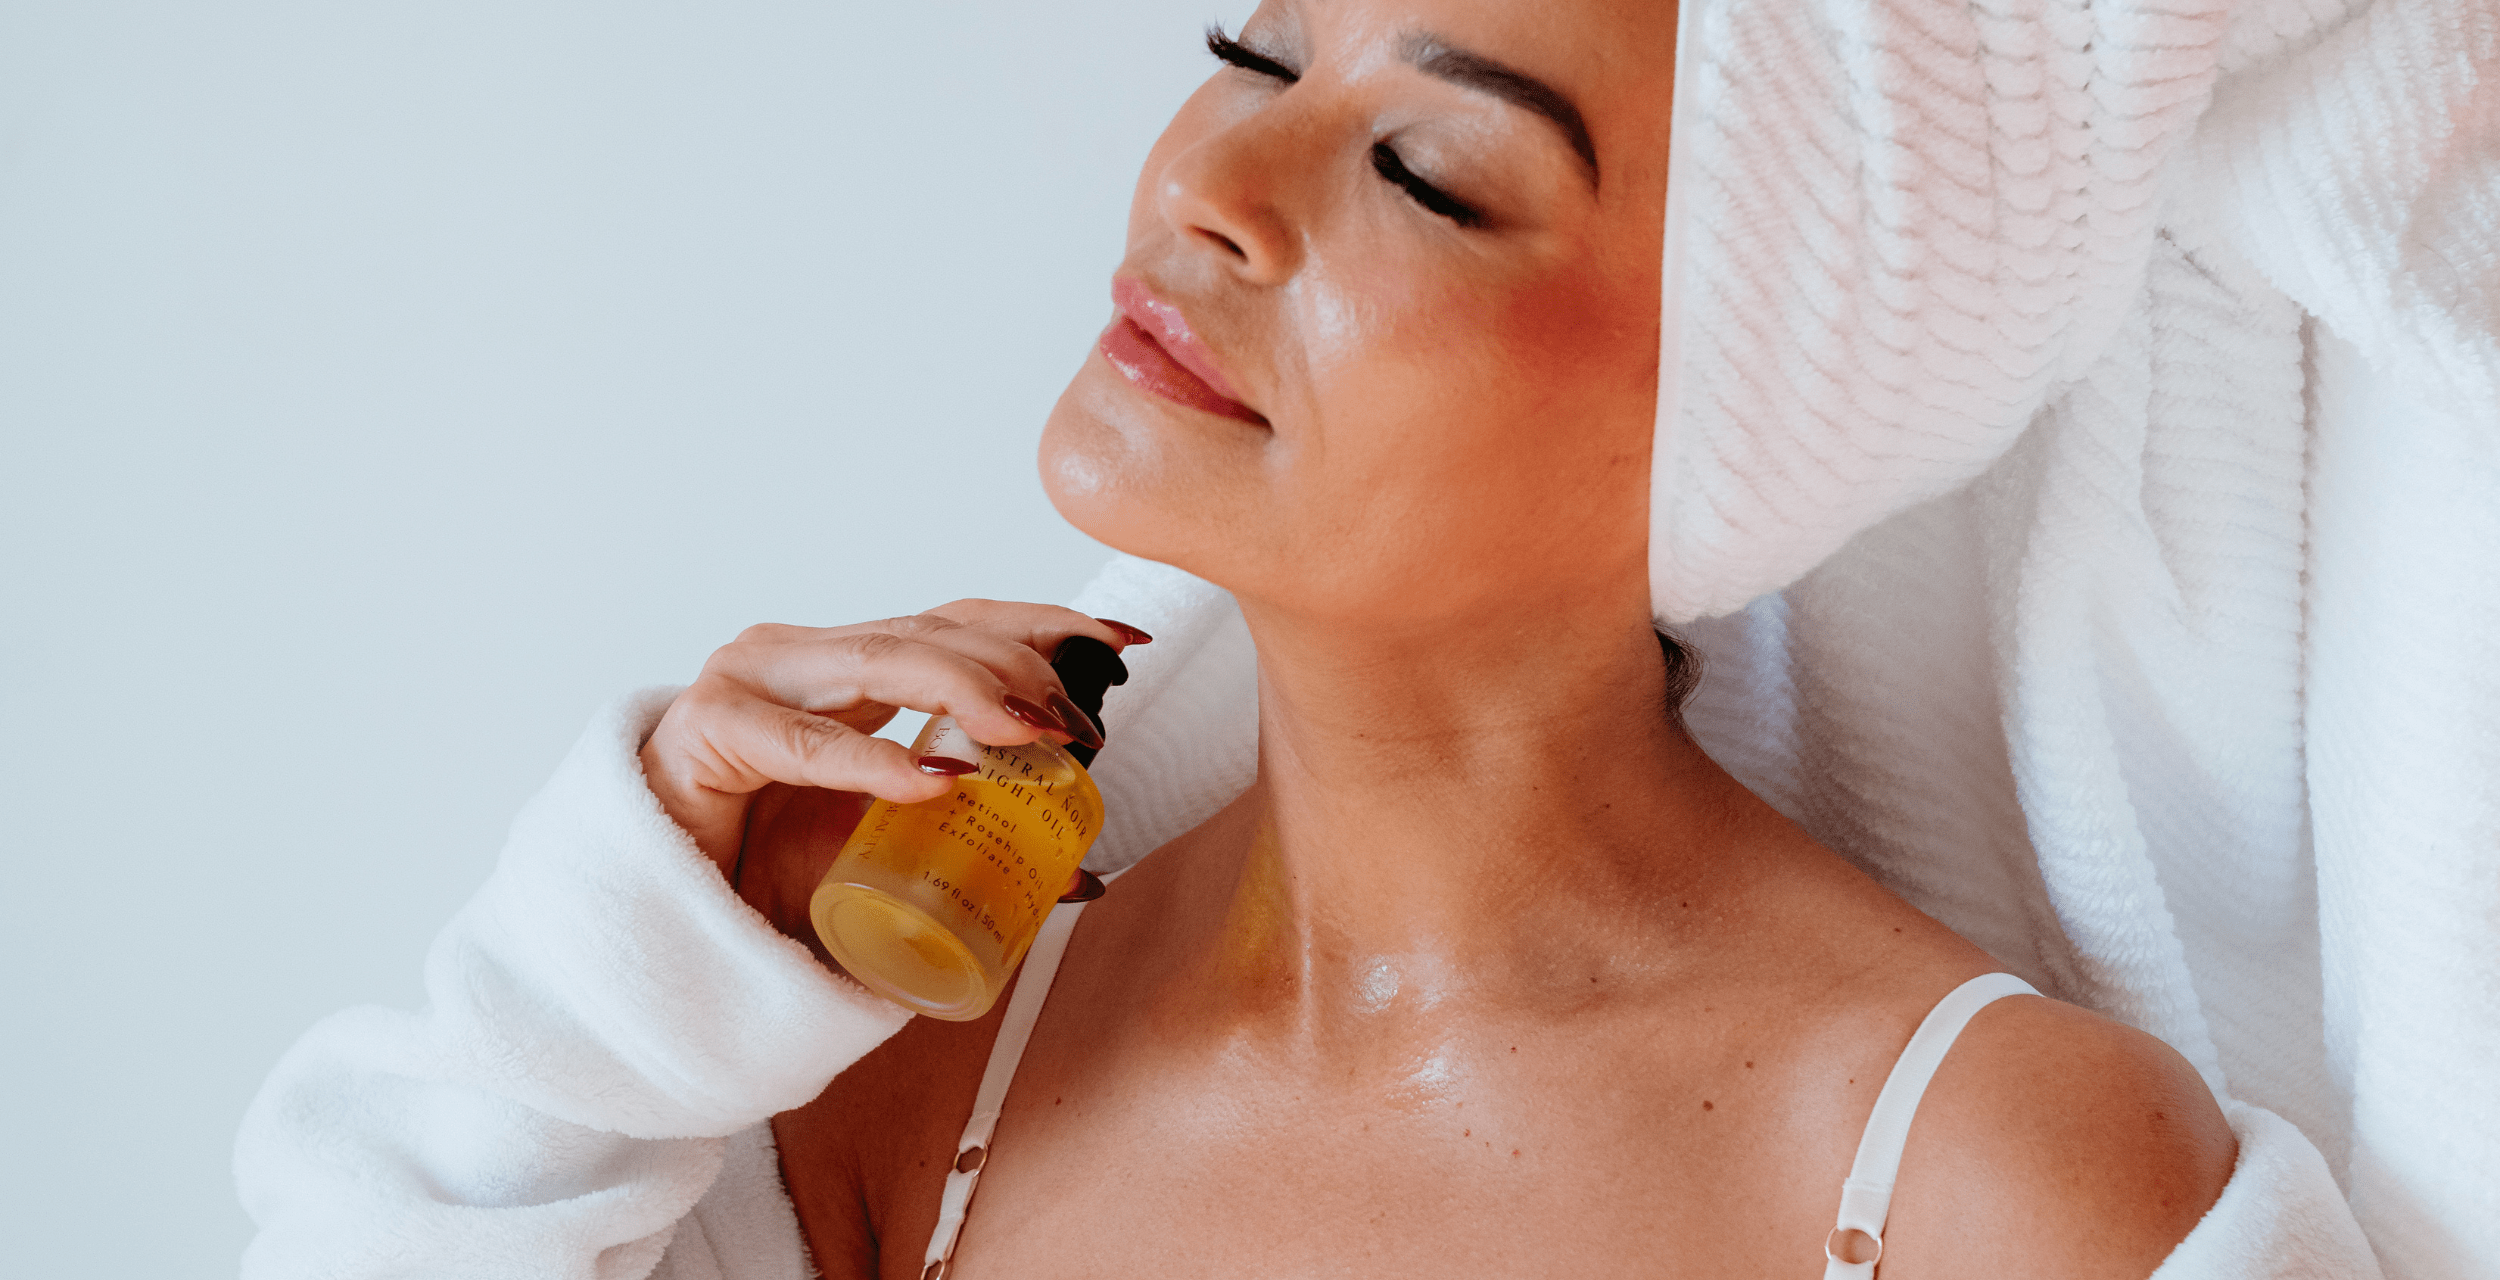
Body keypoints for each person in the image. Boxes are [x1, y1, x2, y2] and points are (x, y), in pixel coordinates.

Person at [239, 0, 2402, 1276]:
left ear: (1744, 406)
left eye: (1434, 173)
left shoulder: (1992, 1180)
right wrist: (599, 996)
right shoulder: (902, 1068)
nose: (1214, 181)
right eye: (1254, 43)